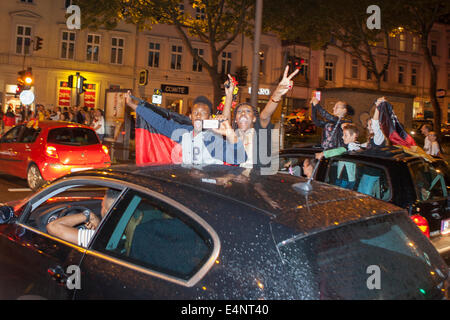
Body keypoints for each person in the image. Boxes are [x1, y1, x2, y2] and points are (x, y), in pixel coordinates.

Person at [126, 92, 246, 166]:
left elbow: (240, 158)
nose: (198, 115)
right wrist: (133, 105)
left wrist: (230, 133)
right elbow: (160, 123)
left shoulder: (212, 139)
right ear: (190, 116)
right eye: (195, 112)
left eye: (203, 113)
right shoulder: (183, 133)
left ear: (209, 117)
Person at [221, 66, 299, 170]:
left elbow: (265, 115)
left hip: (257, 182)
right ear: (235, 119)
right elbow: (224, 122)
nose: (243, 113)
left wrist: (277, 93)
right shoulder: (234, 135)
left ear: (254, 119)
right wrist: (229, 95)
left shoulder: (259, 132)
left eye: (248, 111)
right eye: (239, 112)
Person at [47, 188, 121, 247]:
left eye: (102, 205)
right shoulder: (124, 232)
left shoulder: (97, 238)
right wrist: (99, 227)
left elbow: (52, 226)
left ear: (105, 210)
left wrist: (88, 215)